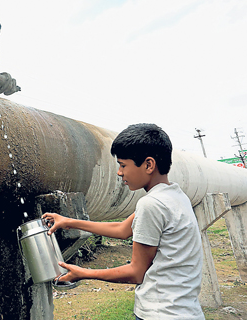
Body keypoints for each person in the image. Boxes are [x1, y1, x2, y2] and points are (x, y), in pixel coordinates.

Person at [42, 123, 205, 320]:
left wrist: (83, 273)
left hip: (161, 313)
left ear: (148, 165)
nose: (119, 173)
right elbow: (122, 229)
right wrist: (68, 221)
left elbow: (136, 272)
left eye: (123, 165)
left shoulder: (151, 204)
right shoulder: (176, 196)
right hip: (186, 310)